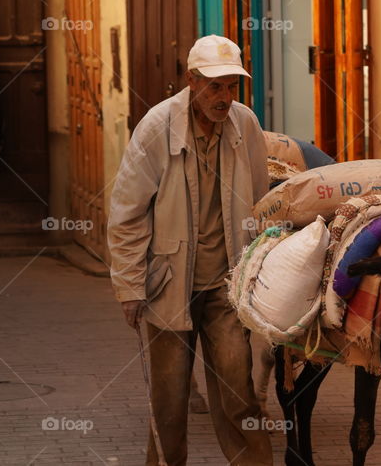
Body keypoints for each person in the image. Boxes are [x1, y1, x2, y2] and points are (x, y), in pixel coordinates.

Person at [108, 35, 272, 465]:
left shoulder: (246, 124)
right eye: (214, 86)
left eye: (231, 86)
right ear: (191, 81)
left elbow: (259, 199)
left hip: (226, 287)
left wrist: (258, 274)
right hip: (168, 283)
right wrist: (129, 287)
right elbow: (127, 213)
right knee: (169, 400)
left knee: (240, 393)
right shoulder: (157, 126)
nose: (224, 97)